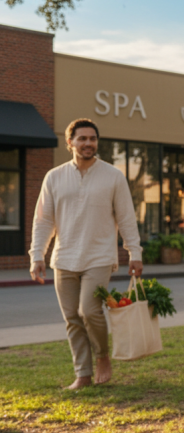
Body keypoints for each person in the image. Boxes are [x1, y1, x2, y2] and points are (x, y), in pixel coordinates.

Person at [30, 118, 143, 390]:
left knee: (89, 311)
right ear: (70, 143)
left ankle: (102, 356)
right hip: (64, 257)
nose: (88, 143)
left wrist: (134, 252)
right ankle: (83, 373)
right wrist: (37, 255)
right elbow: (44, 220)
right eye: (82, 139)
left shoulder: (112, 176)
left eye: (92, 139)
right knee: (72, 318)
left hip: (99, 256)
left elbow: (126, 217)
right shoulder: (54, 177)